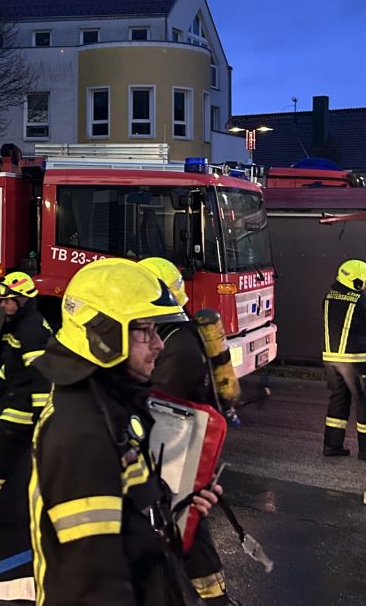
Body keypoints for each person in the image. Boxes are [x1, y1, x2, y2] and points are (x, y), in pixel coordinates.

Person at [29, 257, 220, 605]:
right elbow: (94, 583)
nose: (159, 345)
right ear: (102, 332)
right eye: (145, 331)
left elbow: (131, 513)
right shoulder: (80, 432)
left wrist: (180, 506)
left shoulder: (112, 404)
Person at [140, 257, 232, 606]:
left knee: (184, 519)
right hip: (180, 440)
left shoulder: (178, 343)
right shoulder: (175, 333)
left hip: (180, 444)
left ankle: (213, 597)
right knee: (181, 519)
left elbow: (162, 403)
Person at [0, 270, 52, 512]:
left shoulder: (31, 329)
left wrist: (41, 412)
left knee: (4, 454)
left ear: (22, 299)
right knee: (13, 454)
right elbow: (13, 361)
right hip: (20, 397)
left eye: (8, 301)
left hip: (26, 406)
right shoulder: (20, 324)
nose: (3, 305)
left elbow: (42, 374)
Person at [322, 260, 366, 461]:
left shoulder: (328, 297)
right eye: (365, 281)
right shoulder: (363, 302)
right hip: (356, 361)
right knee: (365, 401)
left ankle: (332, 446)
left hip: (331, 360)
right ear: (356, 281)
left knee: (338, 400)